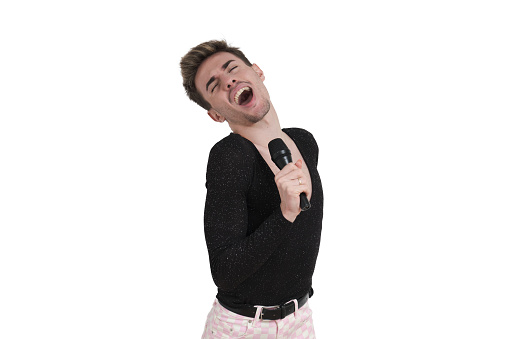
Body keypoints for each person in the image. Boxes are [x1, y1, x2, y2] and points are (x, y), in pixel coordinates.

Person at [180, 40, 324, 338]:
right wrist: (285, 214)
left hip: (299, 319)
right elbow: (225, 272)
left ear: (257, 72)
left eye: (231, 68)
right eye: (214, 85)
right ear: (216, 114)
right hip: (244, 327)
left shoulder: (304, 143)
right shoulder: (231, 156)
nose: (228, 80)